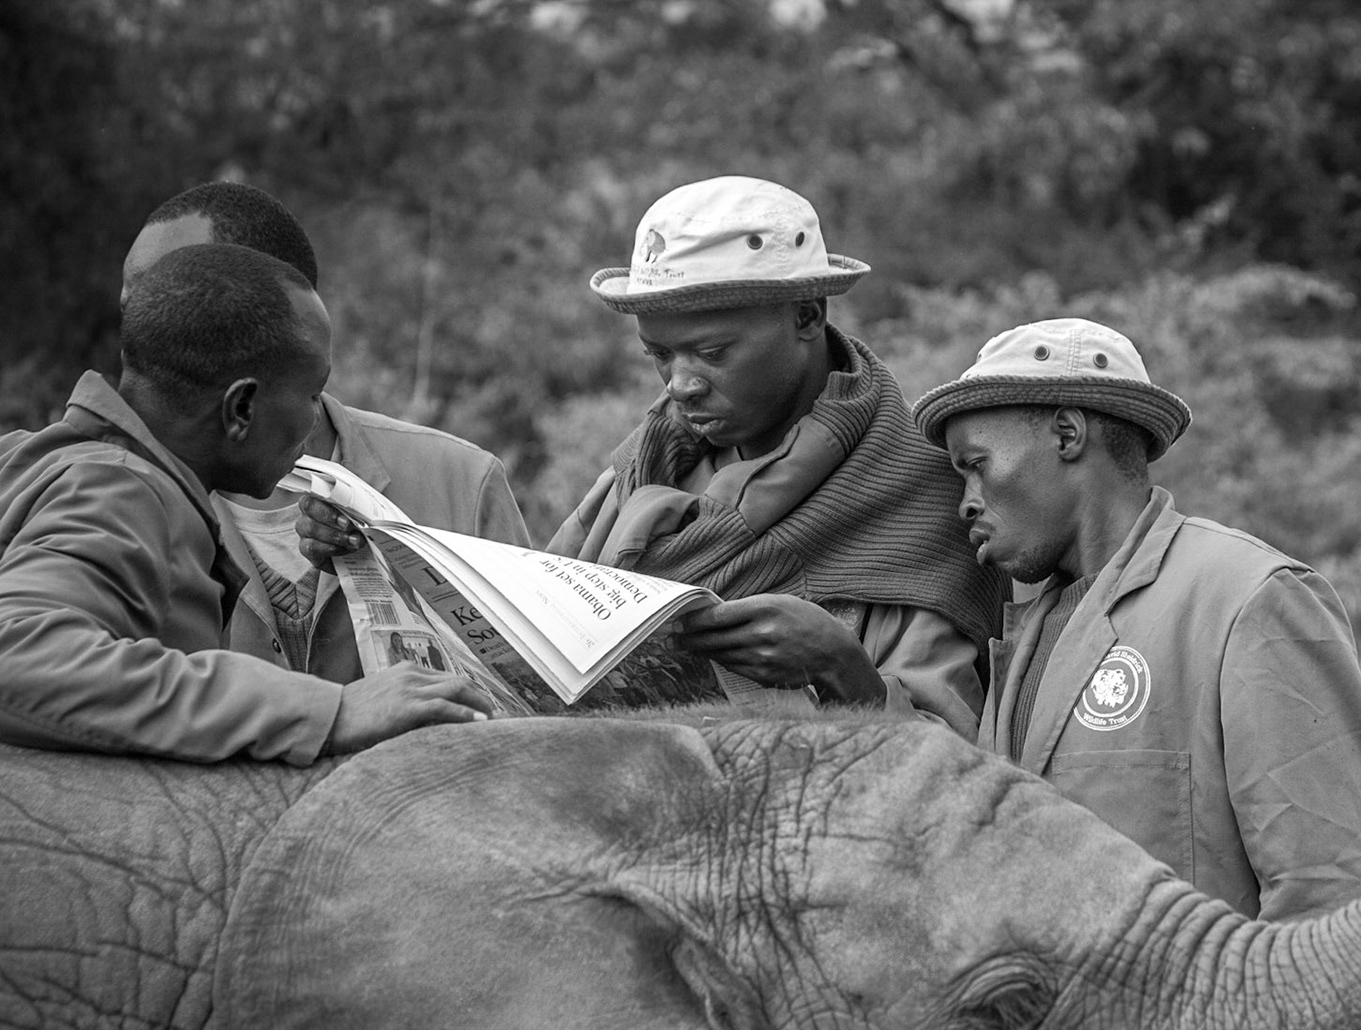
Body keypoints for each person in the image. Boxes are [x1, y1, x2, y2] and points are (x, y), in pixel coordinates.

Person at [914, 319, 1361, 1030]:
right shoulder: (1031, 624)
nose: (965, 504)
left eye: (976, 466)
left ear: (1066, 434)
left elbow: (1335, 882)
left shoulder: (1246, 595)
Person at [541, 175, 1002, 735]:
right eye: (659, 354)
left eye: (713, 352)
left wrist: (842, 669)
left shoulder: (923, 503)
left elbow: (955, 770)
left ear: (807, 316)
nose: (680, 384)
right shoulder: (641, 472)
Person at [0, 242, 489, 762]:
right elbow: (18, 657)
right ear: (241, 407)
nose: (315, 419)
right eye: (311, 395)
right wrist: (331, 710)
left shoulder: (65, 461)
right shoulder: (121, 489)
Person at [122, 181, 531, 682]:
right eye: (131, 309)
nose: (138, 331)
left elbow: (535, 714)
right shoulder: (109, 503)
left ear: (280, 309)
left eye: (172, 299)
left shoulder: (465, 486)